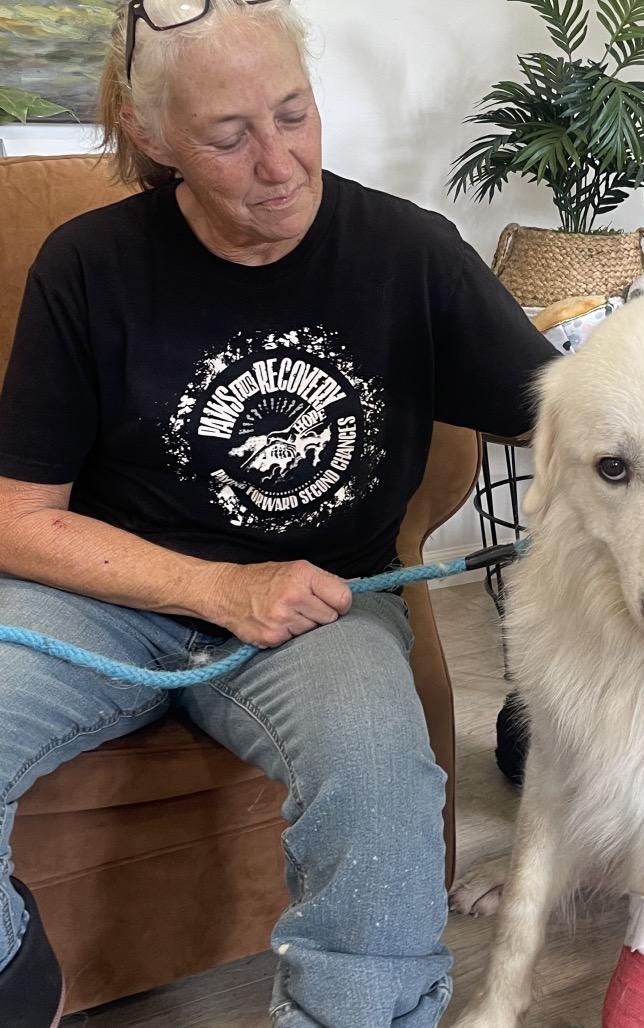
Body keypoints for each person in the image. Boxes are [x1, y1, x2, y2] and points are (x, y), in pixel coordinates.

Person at [0, 2, 557, 1025]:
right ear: (153, 136)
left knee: (382, 780)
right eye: (229, 135)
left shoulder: (409, 252)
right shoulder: (88, 264)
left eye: (294, 114)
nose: (280, 161)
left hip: (322, 608)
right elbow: (15, 515)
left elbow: (565, 411)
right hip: (109, 602)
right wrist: (218, 585)